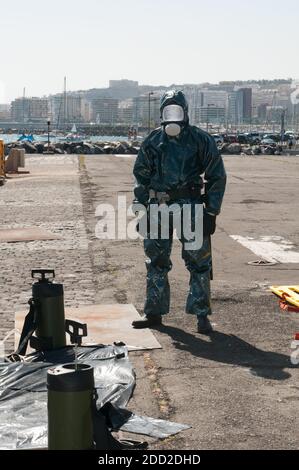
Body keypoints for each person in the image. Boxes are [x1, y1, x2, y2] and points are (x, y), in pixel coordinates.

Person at [132, 90, 226, 334]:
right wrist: (141, 206)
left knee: (199, 262)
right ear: (162, 114)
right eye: (168, 111)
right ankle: (153, 312)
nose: (172, 116)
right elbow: (140, 175)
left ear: (185, 114)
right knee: (155, 260)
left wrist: (211, 211)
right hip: (158, 205)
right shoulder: (153, 141)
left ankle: (201, 314)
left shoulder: (200, 140)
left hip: (191, 205)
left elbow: (216, 175)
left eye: (177, 111)